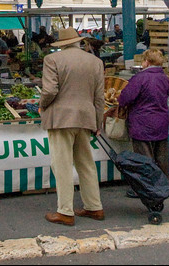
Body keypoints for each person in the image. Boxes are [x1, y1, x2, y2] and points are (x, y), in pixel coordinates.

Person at [39, 27, 105, 225]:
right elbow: (99, 96)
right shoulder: (95, 62)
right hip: (86, 117)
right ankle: (94, 207)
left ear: (62, 44)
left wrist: (42, 105)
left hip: (60, 118)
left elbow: (50, 90)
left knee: (62, 165)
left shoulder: (52, 60)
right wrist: (98, 121)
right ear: (78, 41)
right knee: (86, 163)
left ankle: (65, 211)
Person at [114, 48, 169, 177]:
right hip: (161, 121)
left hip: (142, 123)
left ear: (147, 61)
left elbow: (124, 99)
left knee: (144, 159)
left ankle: (147, 187)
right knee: (161, 157)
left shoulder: (140, 78)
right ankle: (163, 185)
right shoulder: (165, 78)